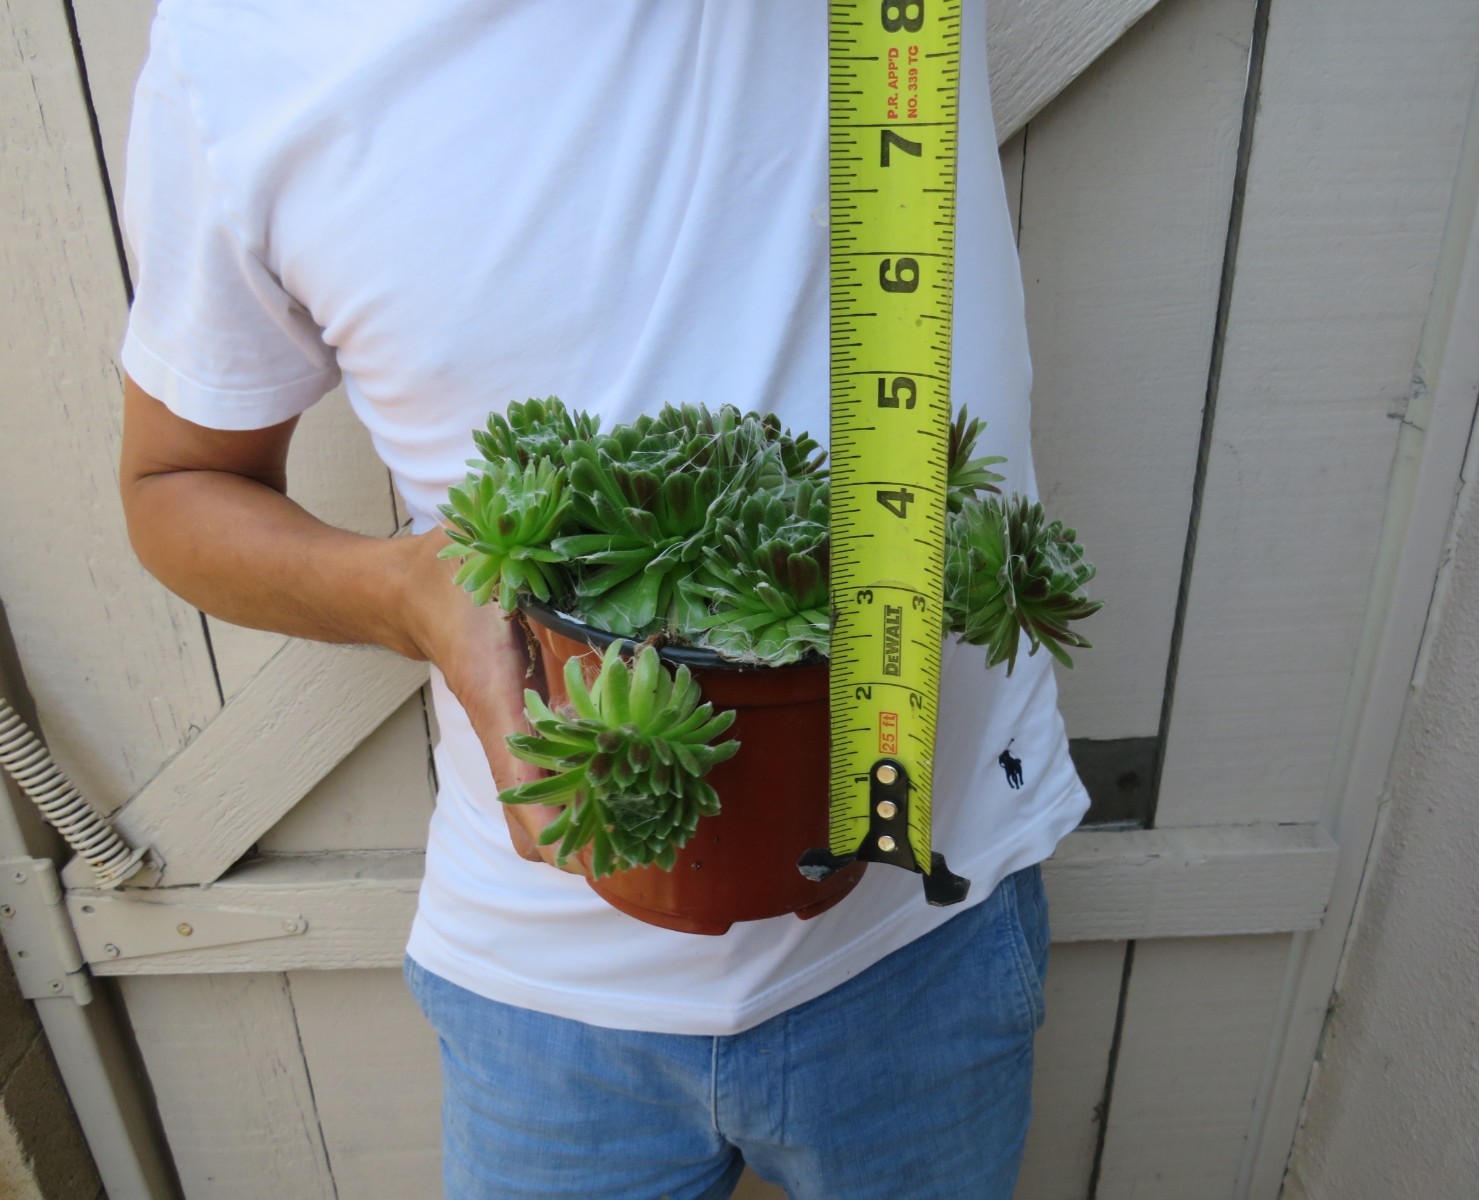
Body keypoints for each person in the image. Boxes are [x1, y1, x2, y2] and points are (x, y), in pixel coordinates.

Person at [116, 2, 1090, 1196]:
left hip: (926, 923)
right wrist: (409, 595)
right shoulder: (237, 46)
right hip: (541, 992)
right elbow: (176, 484)